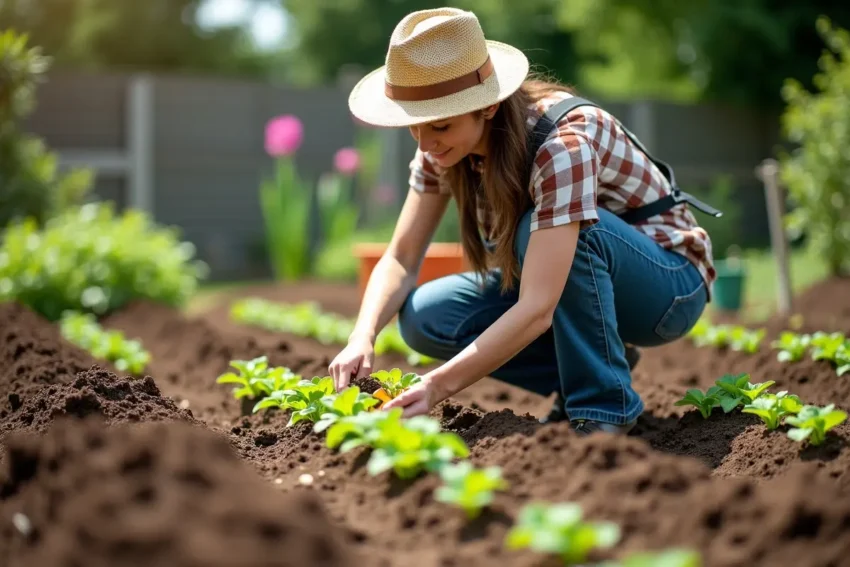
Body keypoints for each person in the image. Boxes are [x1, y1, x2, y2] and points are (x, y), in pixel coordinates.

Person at [328, 7, 718, 436]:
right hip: (588, 284)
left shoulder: (561, 144)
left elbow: (537, 309)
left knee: (553, 230)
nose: (425, 142)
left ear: (488, 106)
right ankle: (589, 373)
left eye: (440, 124)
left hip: (668, 289)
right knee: (427, 316)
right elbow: (401, 258)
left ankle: (601, 411)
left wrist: (437, 386)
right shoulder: (440, 150)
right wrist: (362, 336)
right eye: (414, 127)